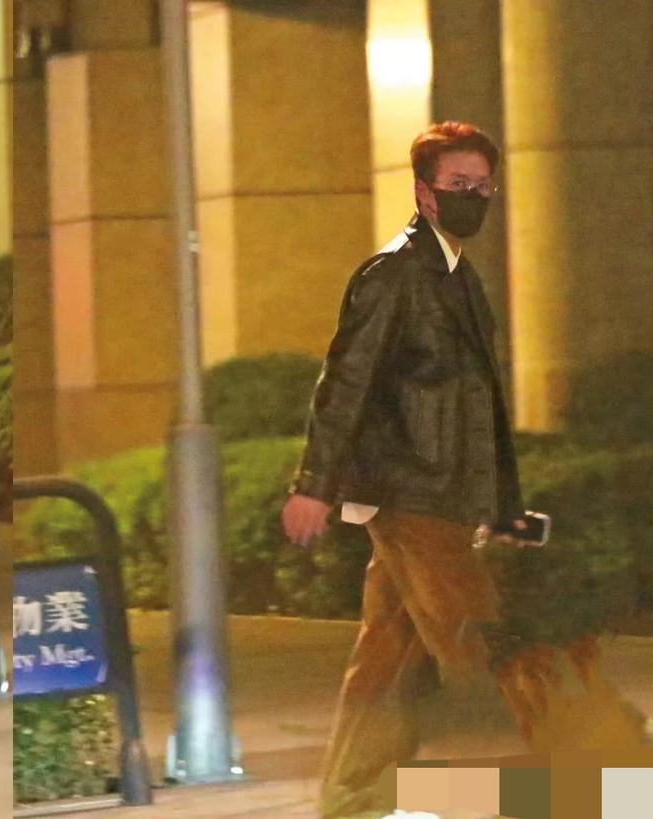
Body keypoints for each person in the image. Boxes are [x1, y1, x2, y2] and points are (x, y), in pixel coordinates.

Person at [281, 121, 646, 818]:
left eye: (483, 186)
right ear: (424, 192)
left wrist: (501, 505)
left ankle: (352, 795)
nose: (473, 197)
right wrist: (312, 487)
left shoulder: (460, 278)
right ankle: (603, 778)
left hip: (444, 494)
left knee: (389, 651)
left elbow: (481, 407)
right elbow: (345, 384)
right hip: (410, 493)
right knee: (491, 636)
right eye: (458, 184)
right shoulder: (392, 276)